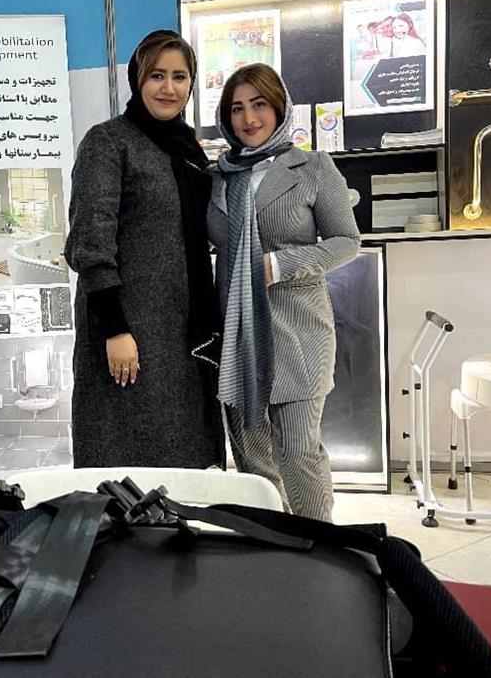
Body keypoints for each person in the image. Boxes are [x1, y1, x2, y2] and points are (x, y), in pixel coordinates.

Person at [64, 30, 224, 468]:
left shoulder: (189, 151)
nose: (168, 88)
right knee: (126, 453)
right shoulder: (108, 142)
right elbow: (89, 243)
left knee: (184, 453)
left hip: (181, 328)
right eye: (157, 75)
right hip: (128, 329)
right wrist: (115, 330)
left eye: (179, 76)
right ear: (138, 78)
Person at [208, 63, 360, 521]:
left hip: (298, 334)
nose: (248, 118)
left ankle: (322, 548)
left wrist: (281, 263)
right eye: (236, 108)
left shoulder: (312, 166)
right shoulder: (219, 176)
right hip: (237, 339)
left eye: (258, 105)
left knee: (298, 454)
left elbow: (347, 241)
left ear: (278, 107)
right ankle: (274, 548)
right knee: (254, 463)